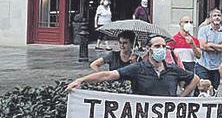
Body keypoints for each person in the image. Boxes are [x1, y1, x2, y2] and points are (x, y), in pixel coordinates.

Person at [68, 35, 209, 96]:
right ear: (149, 49)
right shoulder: (138, 68)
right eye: (157, 46)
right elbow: (108, 75)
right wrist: (81, 80)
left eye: (163, 46)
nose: (161, 49)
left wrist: (181, 98)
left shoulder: (172, 69)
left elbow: (195, 79)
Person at [195, 9, 222, 85]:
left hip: (217, 67)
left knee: (214, 90)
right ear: (210, 18)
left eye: (219, 15)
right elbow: (203, 46)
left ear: (221, 18)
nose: (217, 17)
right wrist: (218, 47)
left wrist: (210, 44)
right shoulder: (203, 30)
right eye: (214, 16)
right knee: (202, 88)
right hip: (203, 65)